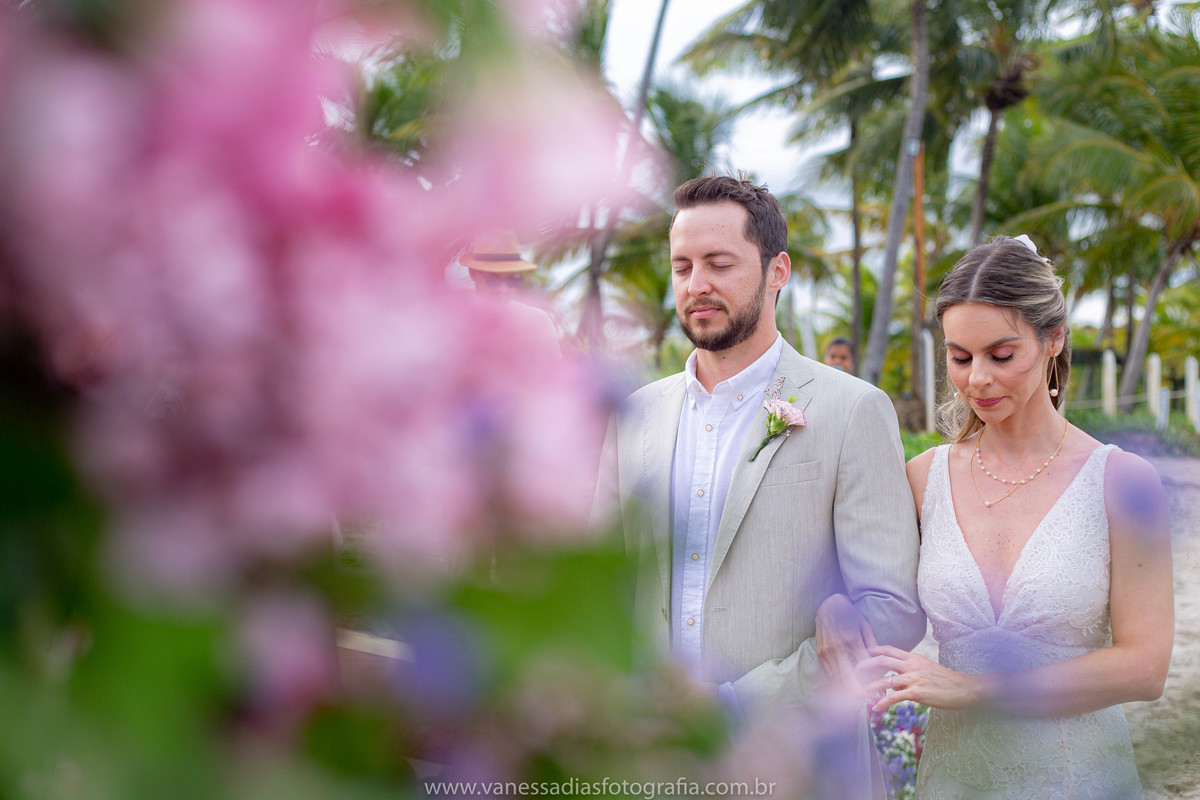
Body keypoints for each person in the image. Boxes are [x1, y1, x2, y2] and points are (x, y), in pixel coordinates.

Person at [593, 175, 925, 791]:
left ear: (778, 271)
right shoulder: (634, 416)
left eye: (719, 263)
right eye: (682, 266)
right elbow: (595, 580)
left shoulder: (853, 410)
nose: (697, 285)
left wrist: (739, 705)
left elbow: (893, 611)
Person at [823, 235, 1174, 799]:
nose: (977, 380)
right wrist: (833, 604)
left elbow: (1146, 668)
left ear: (1054, 338)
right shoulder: (922, 478)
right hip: (955, 779)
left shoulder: (1122, 482)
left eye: (1001, 355)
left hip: (1078, 778)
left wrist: (973, 687)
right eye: (959, 357)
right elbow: (862, 585)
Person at [459, 229, 560, 355]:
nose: (503, 289)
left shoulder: (537, 322)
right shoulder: (451, 318)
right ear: (473, 273)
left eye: (512, 279)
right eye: (493, 279)